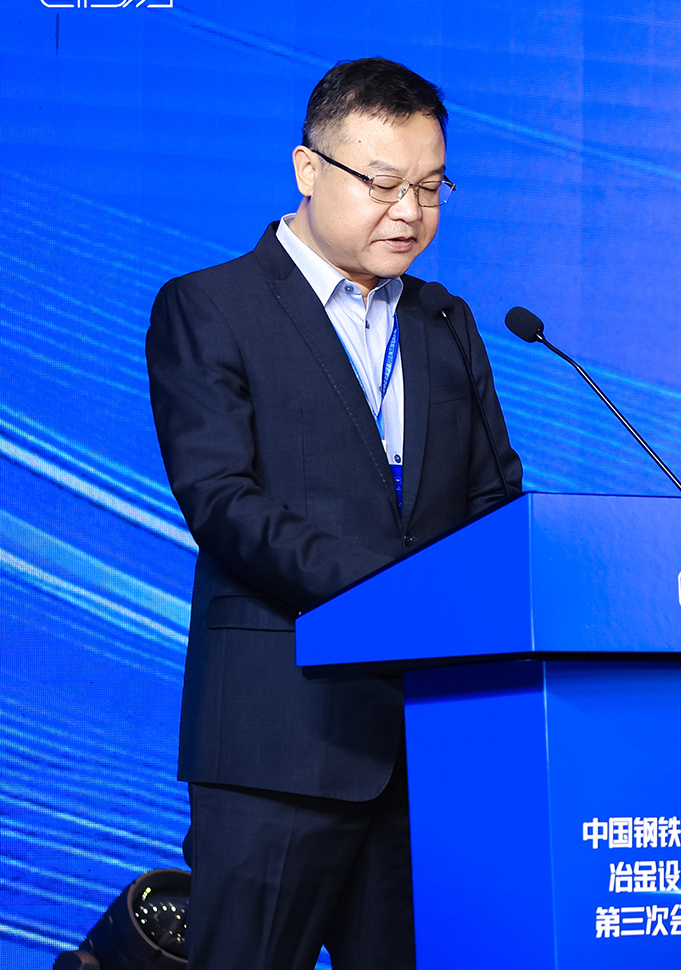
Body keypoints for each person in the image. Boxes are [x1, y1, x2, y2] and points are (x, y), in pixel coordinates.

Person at [145, 57, 523, 969]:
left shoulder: (446, 321)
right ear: (308, 168)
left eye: (431, 187)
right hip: (281, 739)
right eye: (384, 184)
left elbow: (494, 499)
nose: (410, 212)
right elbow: (223, 503)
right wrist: (405, 594)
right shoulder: (211, 306)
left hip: (426, 745)